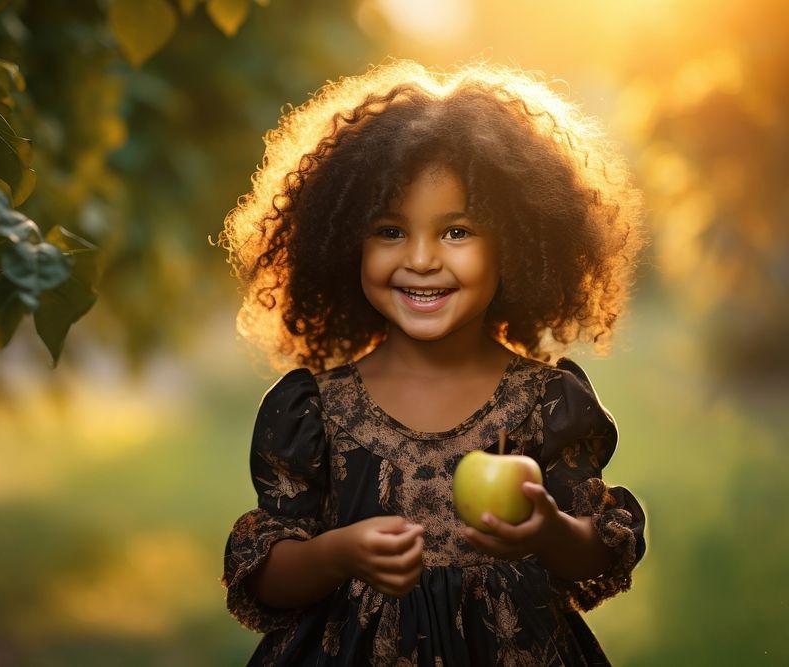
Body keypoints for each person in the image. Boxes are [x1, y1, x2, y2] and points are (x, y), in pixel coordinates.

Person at [218, 60, 647, 666]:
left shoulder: (548, 404)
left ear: (517, 243)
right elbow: (263, 578)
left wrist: (550, 529)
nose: (420, 260)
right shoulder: (313, 412)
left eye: (457, 231)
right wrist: (335, 554)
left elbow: (599, 555)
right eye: (389, 231)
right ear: (343, 242)